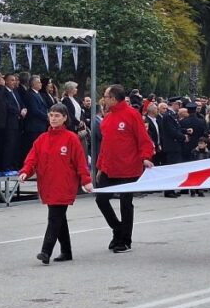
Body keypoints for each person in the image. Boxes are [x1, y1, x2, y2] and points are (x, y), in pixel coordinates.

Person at [19, 104, 93, 265]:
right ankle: (66, 251)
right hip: (47, 184)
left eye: (57, 116)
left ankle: (46, 251)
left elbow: (81, 163)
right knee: (59, 218)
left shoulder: (71, 138)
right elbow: (32, 158)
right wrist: (25, 171)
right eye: (51, 115)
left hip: (64, 185)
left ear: (65, 118)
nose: (53, 118)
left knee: (54, 218)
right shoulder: (42, 139)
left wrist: (86, 180)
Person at [95, 84, 155, 253]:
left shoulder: (132, 115)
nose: (104, 99)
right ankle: (117, 229)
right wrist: (100, 166)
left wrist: (145, 157)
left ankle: (125, 240)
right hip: (108, 167)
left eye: (106, 96)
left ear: (113, 98)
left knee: (125, 204)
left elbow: (143, 139)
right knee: (101, 200)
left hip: (128, 167)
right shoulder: (107, 117)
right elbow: (105, 145)